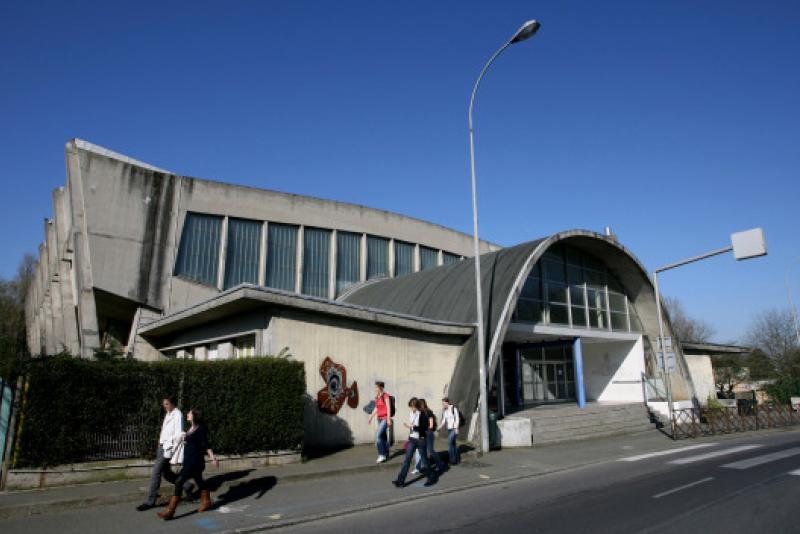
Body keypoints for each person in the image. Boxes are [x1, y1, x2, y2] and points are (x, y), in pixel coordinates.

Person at [158, 408, 219, 520]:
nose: (187, 414)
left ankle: (170, 511)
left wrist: (212, 457)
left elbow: (206, 444)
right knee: (199, 480)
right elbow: (192, 442)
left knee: (179, 481)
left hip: (195, 461)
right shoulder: (192, 428)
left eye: (189, 413)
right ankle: (206, 501)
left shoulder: (200, 428)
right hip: (189, 460)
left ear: (194, 416)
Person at [137, 396, 184, 511]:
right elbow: (164, 429)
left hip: (167, 448)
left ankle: (150, 501)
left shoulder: (178, 415)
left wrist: (167, 446)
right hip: (162, 446)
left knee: (156, 473)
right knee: (166, 473)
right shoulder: (168, 413)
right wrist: (159, 441)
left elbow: (178, 434)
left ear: (172, 404)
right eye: (164, 404)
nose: (164, 406)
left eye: (166, 404)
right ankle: (187, 485)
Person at [392, 398, 435, 488]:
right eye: (410, 407)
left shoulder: (423, 414)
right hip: (412, 439)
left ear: (417, 406)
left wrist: (413, 427)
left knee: (424, 460)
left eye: (412, 407)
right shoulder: (411, 413)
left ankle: (431, 477)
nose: (411, 408)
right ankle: (400, 481)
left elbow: (424, 427)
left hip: (421, 439)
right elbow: (412, 425)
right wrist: (411, 428)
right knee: (407, 460)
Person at [414, 398, 444, 474]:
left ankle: (440, 464)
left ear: (422, 405)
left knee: (430, 450)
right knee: (423, 451)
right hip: (423, 434)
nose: (418, 407)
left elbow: (431, 425)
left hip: (429, 433)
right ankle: (426, 467)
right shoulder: (420, 413)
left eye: (418, 405)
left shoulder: (429, 412)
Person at [367, 381, 392, 463]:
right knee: (383, 437)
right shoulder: (377, 397)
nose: (375, 388)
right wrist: (371, 416)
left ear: (381, 387)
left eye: (376, 387)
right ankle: (386, 453)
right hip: (379, 418)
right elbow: (377, 408)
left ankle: (382, 455)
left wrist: (388, 418)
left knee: (377, 435)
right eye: (375, 387)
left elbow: (388, 408)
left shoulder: (386, 396)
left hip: (385, 418)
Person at [437, 397, 460, 465]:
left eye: (444, 403)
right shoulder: (445, 410)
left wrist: (456, 428)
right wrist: (439, 428)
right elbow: (443, 421)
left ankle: (452, 460)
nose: (443, 405)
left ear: (447, 402)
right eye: (442, 403)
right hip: (449, 429)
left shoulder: (453, 408)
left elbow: (457, 418)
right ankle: (456, 459)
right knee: (453, 444)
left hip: (454, 429)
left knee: (449, 443)